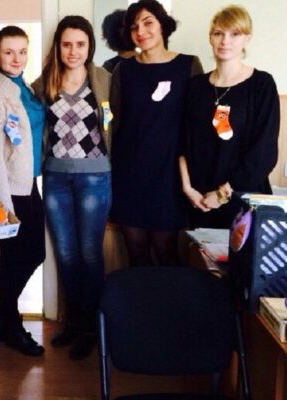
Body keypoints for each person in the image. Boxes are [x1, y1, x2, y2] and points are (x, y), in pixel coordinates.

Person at [33, 15, 111, 360]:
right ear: (58, 47)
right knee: (65, 253)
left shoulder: (104, 80)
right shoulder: (43, 84)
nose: (73, 51)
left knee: (90, 252)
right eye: (67, 44)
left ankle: (92, 327)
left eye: (80, 44)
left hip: (95, 177)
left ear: (89, 46)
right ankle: (74, 322)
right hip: (56, 179)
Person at [109, 0, 203, 267]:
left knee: (166, 252)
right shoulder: (123, 70)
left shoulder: (188, 65)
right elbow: (114, 123)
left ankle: (169, 298)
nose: (141, 31)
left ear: (163, 25)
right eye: (134, 26)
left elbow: (195, 125)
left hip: (170, 175)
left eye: (148, 22)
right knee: (136, 253)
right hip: (129, 174)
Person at [179, 5, 279, 229]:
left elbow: (264, 153)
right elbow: (182, 144)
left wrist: (222, 194)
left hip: (242, 201)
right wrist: (188, 188)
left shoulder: (261, 84)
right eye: (218, 33)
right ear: (210, 38)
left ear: (247, 38)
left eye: (235, 34)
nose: (225, 41)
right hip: (198, 200)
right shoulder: (195, 86)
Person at [0, 25, 46, 357]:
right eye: (8, 52)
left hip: (30, 186)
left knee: (31, 254)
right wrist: (5, 206)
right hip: (12, 192)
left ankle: (2, 319)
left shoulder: (27, 88)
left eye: (22, 51)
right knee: (16, 257)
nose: (16, 58)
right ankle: (12, 323)